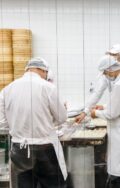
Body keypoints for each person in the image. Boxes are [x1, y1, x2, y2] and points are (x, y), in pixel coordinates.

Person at [0, 57, 68, 188]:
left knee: (25, 185)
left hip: (19, 148)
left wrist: (19, 127)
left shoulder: (7, 89)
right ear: (43, 70)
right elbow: (62, 118)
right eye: (46, 74)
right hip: (44, 147)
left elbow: (2, 123)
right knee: (53, 185)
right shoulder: (48, 87)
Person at [76, 44, 120, 141]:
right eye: (109, 54)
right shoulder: (108, 73)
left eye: (113, 54)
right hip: (115, 118)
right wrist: (85, 112)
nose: (111, 57)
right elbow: (97, 93)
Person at [90, 55, 120, 188]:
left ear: (110, 70)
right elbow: (118, 105)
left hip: (119, 130)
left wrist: (95, 113)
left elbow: (112, 114)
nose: (105, 75)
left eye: (105, 73)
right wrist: (103, 106)